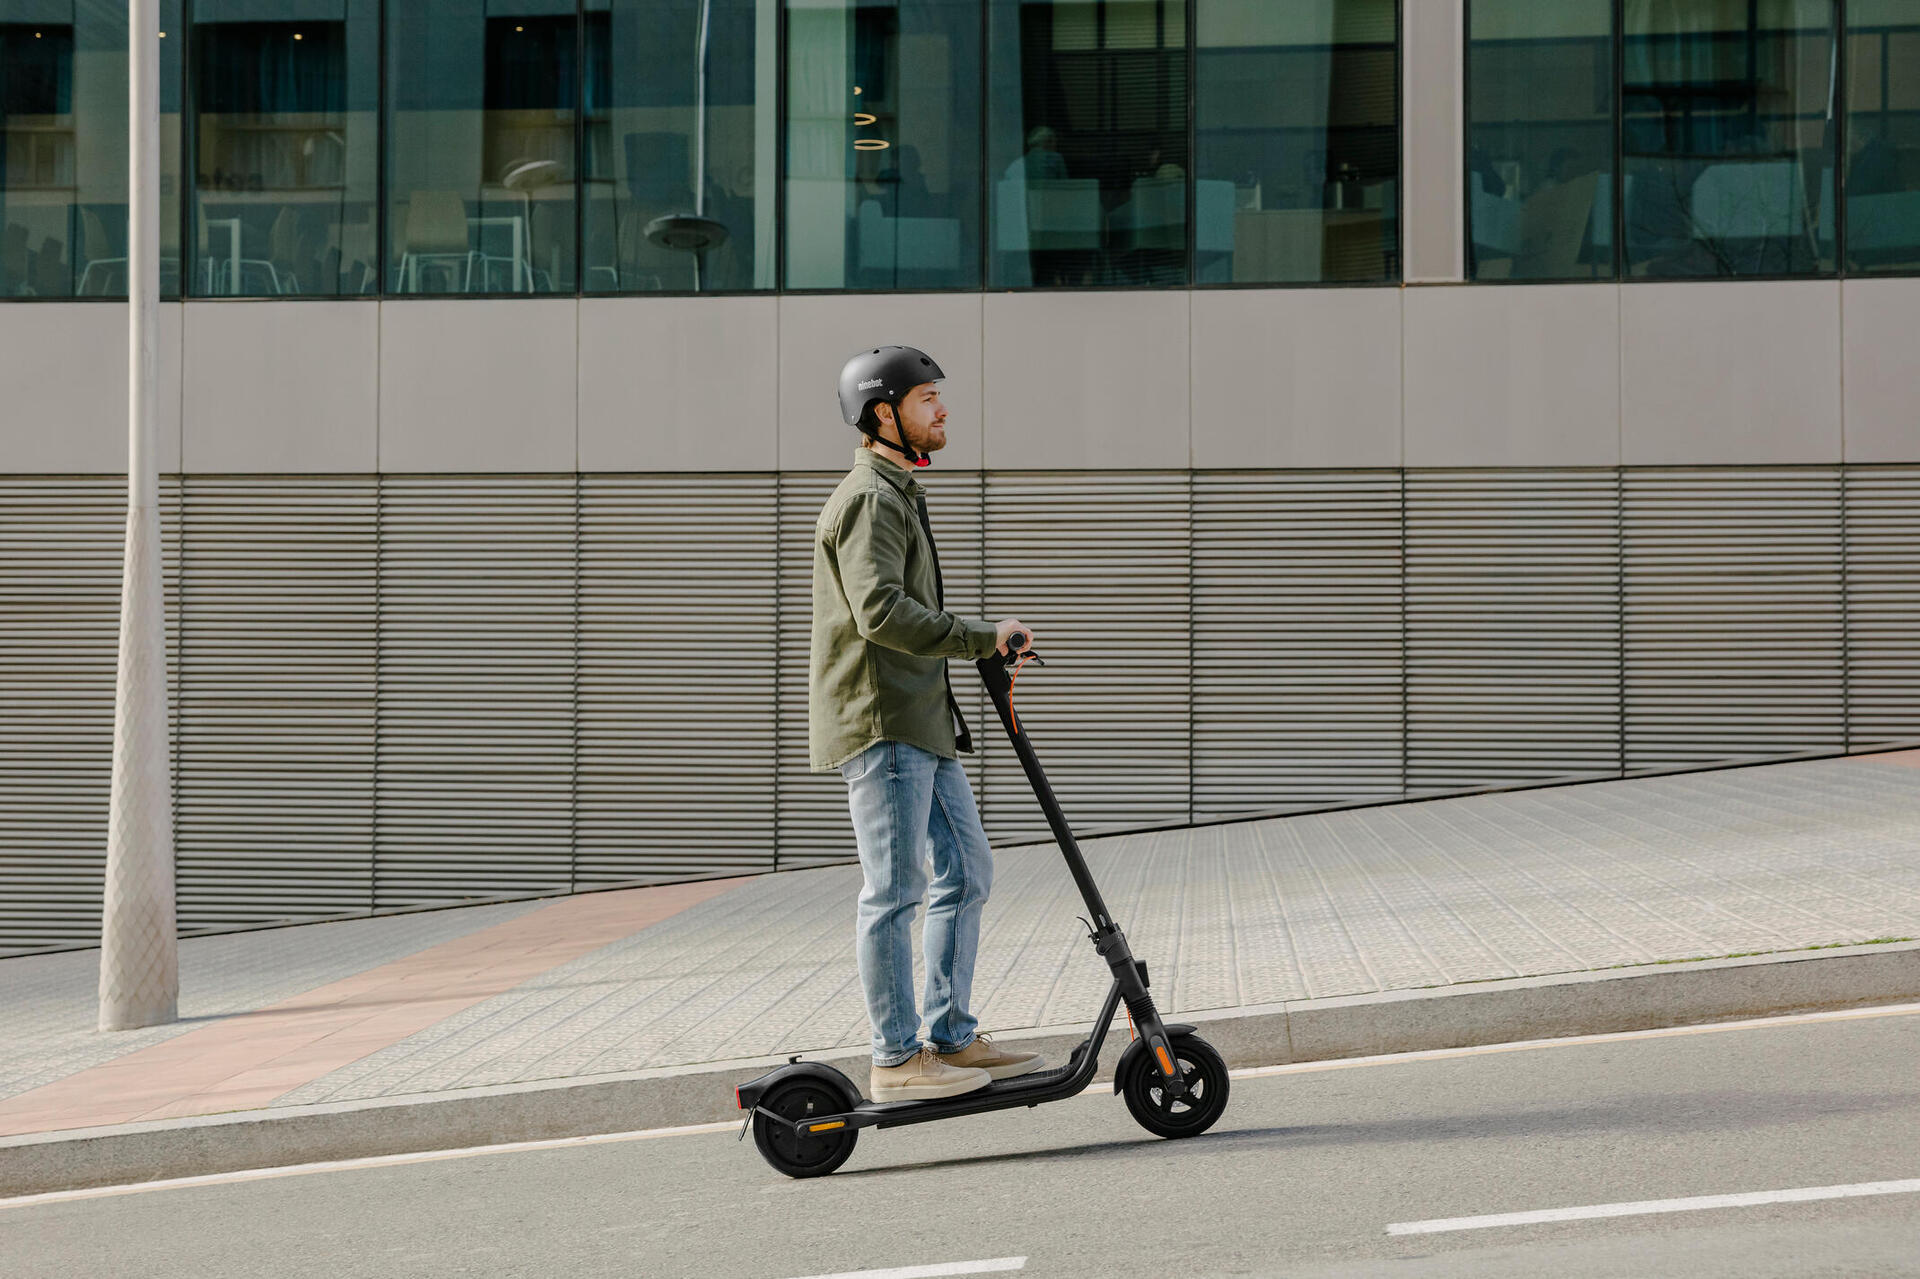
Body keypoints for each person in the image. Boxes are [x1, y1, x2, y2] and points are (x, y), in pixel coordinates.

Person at [809, 345, 1046, 1103]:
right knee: (894, 890)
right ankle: (895, 1058)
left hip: (920, 718)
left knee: (967, 870)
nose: (942, 409)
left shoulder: (900, 492)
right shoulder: (870, 499)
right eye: (926, 399)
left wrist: (977, 643)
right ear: (884, 413)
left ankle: (950, 1036)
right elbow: (880, 613)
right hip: (883, 721)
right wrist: (979, 635)